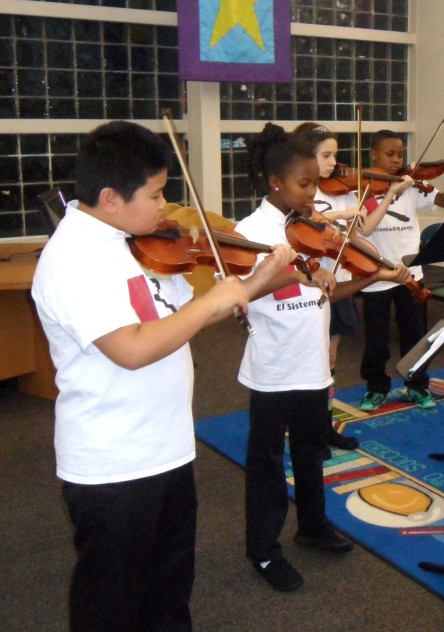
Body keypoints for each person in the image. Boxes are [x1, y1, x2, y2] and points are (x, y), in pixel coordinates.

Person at [31, 121, 296, 631]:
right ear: (110, 198)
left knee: (169, 590)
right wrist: (218, 297)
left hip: (167, 448)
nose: (165, 207)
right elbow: (130, 349)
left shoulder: (135, 240)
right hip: (112, 466)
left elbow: (180, 321)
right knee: (111, 603)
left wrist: (254, 283)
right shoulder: (75, 258)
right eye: (155, 194)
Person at [235, 123, 412, 592]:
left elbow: (329, 294)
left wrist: (378, 278)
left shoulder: (314, 228)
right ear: (276, 183)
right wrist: (293, 270)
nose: (314, 194)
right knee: (267, 462)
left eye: (315, 182)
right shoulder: (249, 234)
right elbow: (241, 296)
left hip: (312, 364)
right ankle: (263, 550)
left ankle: (312, 527)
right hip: (274, 370)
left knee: (311, 452)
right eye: (304, 184)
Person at [291, 123, 413, 450]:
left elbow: (366, 230)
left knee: (330, 360)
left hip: (339, 281)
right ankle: (305, 428)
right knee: (308, 360)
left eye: (334, 155)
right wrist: (343, 214)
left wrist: (386, 195)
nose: (333, 163)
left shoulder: (345, 187)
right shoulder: (301, 190)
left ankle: (325, 427)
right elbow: (305, 222)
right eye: (325, 155)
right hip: (310, 284)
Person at [356, 129, 444, 412]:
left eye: (400, 155)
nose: (396, 160)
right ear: (373, 155)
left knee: (414, 335)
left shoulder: (412, 184)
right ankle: (375, 387)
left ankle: (418, 385)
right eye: (389, 154)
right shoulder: (363, 188)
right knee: (376, 339)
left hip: (410, 272)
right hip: (376, 273)